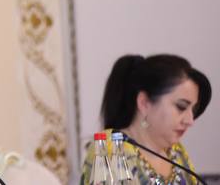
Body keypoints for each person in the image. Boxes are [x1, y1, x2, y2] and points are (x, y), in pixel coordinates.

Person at [81, 53, 211, 184]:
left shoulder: (176, 151)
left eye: (193, 110)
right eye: (181, 107)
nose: (190, 120)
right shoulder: (110, 149)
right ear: (144, 103)